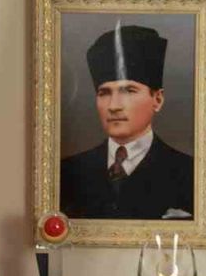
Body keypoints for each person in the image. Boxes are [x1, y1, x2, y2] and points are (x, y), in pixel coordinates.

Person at [60, 24, 194, 220]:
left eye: (129, 91)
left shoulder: (190, 174)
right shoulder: (67, 173)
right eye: (104, 93)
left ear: (157, 100)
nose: (114, 106)